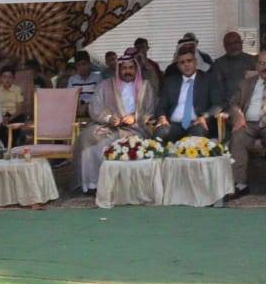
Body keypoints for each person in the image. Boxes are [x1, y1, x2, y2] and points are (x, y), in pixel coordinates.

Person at [73, 53, 156, 192]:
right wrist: (109, 118)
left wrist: (135, 117)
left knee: (113, 143)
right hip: (109, 125)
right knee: (86, 137)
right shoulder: (106, 85)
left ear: (136, 69)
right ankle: (93, 184)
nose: (128, 71)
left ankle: (117, 187)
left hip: (134, 128)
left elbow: (149, 110)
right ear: (119, 69)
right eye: (124, 68)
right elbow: (95, 108)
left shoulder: (145, 86)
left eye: (131, 68)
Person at [153, 45, 223, 143]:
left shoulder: (208, 80)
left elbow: (218, 104)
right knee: (160, 132)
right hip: (173, 125)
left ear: (195, 62)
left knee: (197, 134)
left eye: (189, 61)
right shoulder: (170, 82)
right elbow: (161, 106)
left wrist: (205, 117)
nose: (186, 64)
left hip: (197, 123)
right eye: (182, 62)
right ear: (178, 65)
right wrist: (162, 117)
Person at [226, 50, 266, 199]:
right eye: (262, 63)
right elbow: (233, 104)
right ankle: (240, 184)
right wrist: (238, 114)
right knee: (238, 136)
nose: (265, 67)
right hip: (248, 124)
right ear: (257, 66)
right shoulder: (246, 83)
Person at [213, 32, 257, 104]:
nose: (233, 46)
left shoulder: (253, 61)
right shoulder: (218, 64)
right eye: (229, 44)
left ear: (241, 43)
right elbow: (217, 90)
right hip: (227, 105)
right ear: (224, 46)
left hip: (251, 103)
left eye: (236, 42)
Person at [0, 64, 26, 143]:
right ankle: (4, 146)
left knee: (17, 124)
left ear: (13, 78)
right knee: (0, 129)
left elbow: (19, 109)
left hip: (14, 115)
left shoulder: (17, 90)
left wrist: (9, 119)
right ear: (0, 78)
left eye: (10, 77)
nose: (7, 79)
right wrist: (2, 118)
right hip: (1, 116)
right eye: (4, 77)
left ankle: (14, 145)